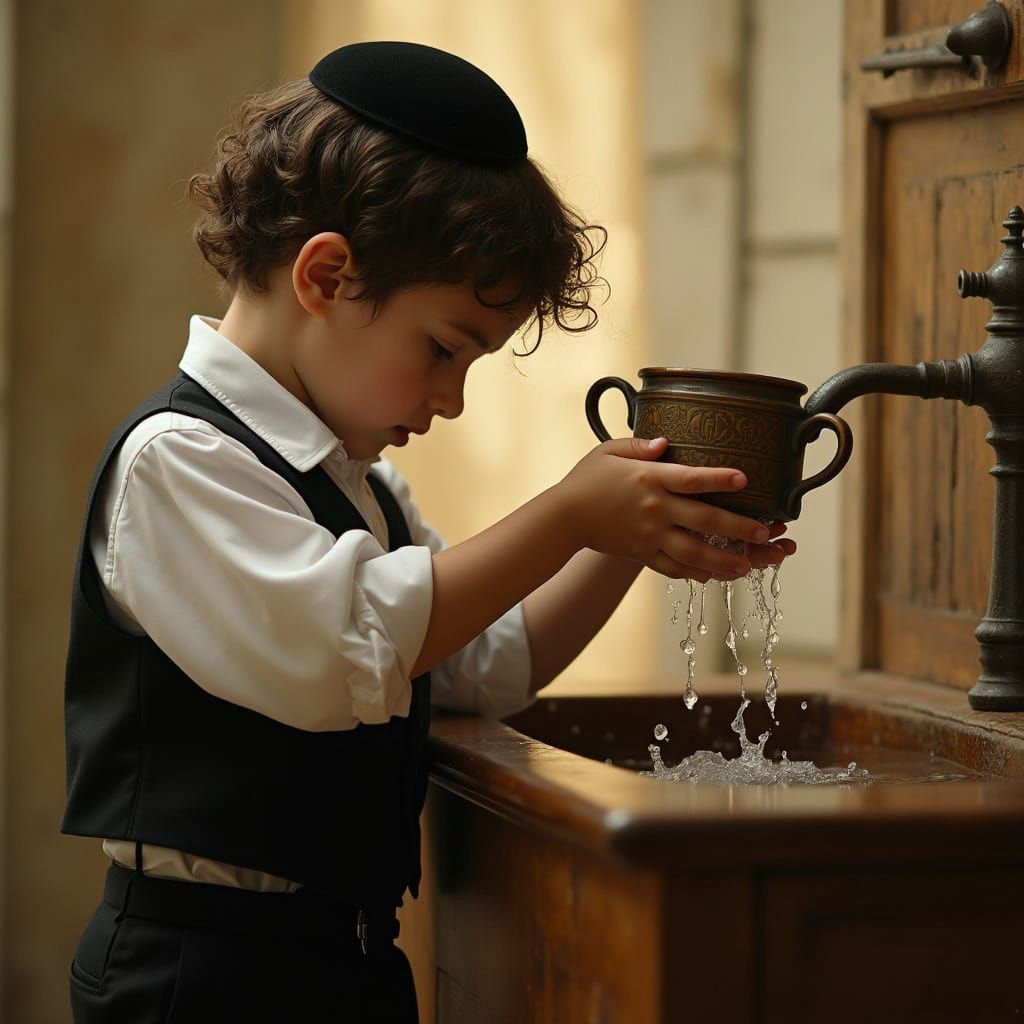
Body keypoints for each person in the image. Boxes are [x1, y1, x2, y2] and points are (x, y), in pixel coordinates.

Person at [61, 40, 795, 1023]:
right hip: (201, 974)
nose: (450, 397)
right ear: (324, 275)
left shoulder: (363, 488)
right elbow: (343, 647)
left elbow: (478, 662)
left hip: (344, 958)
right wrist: (570, 510)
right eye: (443, 348)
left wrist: (629, 531)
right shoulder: (178, 464)